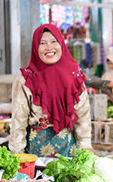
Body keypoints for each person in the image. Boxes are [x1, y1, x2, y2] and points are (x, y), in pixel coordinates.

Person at [9, 24, 93, 157]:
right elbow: (18, 121)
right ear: (36, 48)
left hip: (69, 153)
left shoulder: (74, 77)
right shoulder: (26, 81)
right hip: (35, 155)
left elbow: (83, 117)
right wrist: (17, 153)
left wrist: (86, 147)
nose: (49, 47)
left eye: (54, 41)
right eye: (42, 43)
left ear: (61, 44)